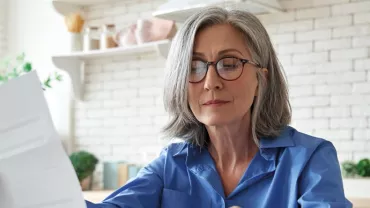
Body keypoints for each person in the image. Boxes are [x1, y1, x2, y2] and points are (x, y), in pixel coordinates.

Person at [86, 7, 352, 208]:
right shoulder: (171, 164)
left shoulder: (310, 159)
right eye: (193, 67)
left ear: (262, 77)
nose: (210, 83)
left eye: (230, 64)